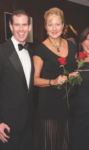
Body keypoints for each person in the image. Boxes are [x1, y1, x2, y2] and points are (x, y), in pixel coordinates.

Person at [33, 7, 78, 150]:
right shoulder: (40, 49)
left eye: (57, 24)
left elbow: (77, 69)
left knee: (65, 141)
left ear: (63, 25)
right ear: (45, 26)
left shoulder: (71, 45)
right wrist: (52, 81)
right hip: (49, 104)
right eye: (50, 24)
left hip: (67, 103)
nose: (54, 28)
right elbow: (34, 80)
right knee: (50, 143)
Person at [0, 10, 34, 150]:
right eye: (17, 25)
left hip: (29, 122)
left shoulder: (31, 53)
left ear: (29, 27)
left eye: (24, 25)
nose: (21, 29)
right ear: (11, 26)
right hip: (7, 124)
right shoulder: (1, 51)